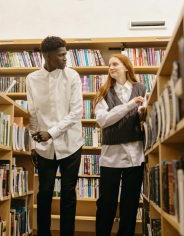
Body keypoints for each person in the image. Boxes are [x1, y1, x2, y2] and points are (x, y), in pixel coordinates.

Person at [26, 36, 83, 236]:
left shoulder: (73, 76)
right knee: (44, 194)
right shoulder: (31, 79)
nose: (65, 58)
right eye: (61, 55)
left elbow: (76, 113)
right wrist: (33, 144)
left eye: (65, 54)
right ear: (47, 56)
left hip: (71, 144)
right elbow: (32, 113)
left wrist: (50, 133)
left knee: (68, 194)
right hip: (43, 147)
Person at [94, 53, 146, 236]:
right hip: (111, 156)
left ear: (126, 67)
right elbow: (103, 120)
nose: (111, 67)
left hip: (136, 155)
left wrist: (142, 113)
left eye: (115, 64)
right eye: (109, 65)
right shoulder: (103, 92)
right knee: (106, 203)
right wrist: (130, 105)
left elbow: (145, 116)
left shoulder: (142, 89)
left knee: (130, 204)